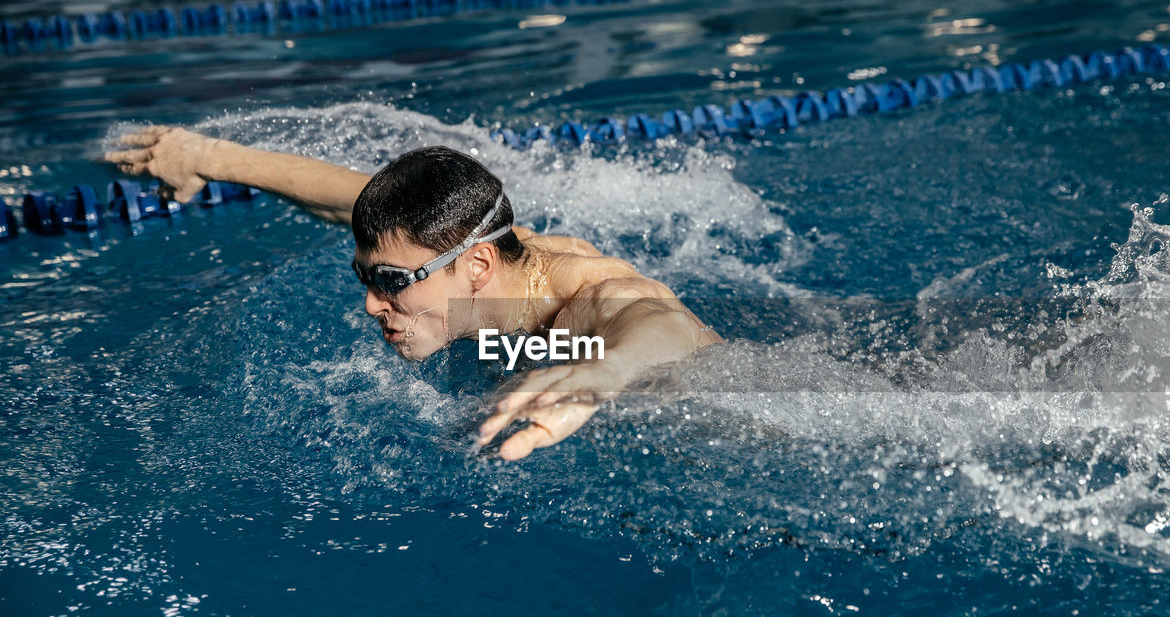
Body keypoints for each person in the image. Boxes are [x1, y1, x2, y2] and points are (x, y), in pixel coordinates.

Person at [106, 127, 721, 461]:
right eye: (367, 279)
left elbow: (654, 320)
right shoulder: (486, 245)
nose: (373, 305)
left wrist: (599, 375)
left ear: (475, 265)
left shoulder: (569, 302)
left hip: (738, 431)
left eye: (392, 284)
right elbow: (353, 198)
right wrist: (208, 156)